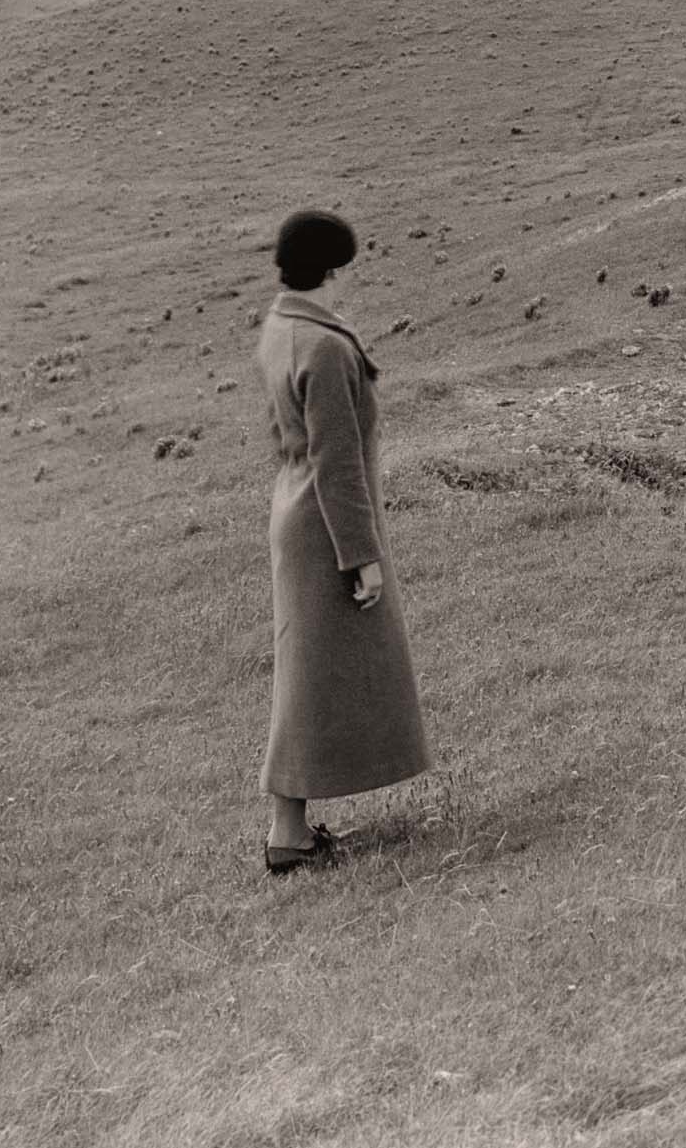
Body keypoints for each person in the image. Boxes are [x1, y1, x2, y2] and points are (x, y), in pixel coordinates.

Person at [256, 208, 430, 873]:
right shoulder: (324, 347)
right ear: (331, 270)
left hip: (295, 507)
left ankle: (291, 828)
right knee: (307, 680)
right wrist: (361, 556)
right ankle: (286, 834)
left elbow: (289, 437)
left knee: (305, 672)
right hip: (323, 523)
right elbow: (338, 460)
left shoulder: (281, 327)